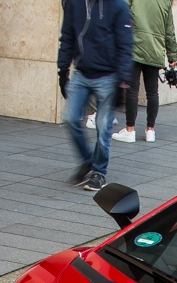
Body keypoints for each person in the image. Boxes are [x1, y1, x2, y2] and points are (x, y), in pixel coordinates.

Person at [58, 0, 134, 192]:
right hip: (81, 72)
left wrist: (122, 82)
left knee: (103, 126)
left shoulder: (118, 6)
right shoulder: (74, 4)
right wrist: (62, 70)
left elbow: (126, 44)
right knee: (70, 118)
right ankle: (87, 161)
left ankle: (99, 172)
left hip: (108, 76)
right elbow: (67, 36)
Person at [113, 0, 177, 144]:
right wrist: (172, 57)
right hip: (155, 52)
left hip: (135, 49)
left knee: (132, 91)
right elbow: (169, 32)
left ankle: (130, 130)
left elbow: (123, 16)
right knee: (152, 93)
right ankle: (150, 130)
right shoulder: (165, 3)